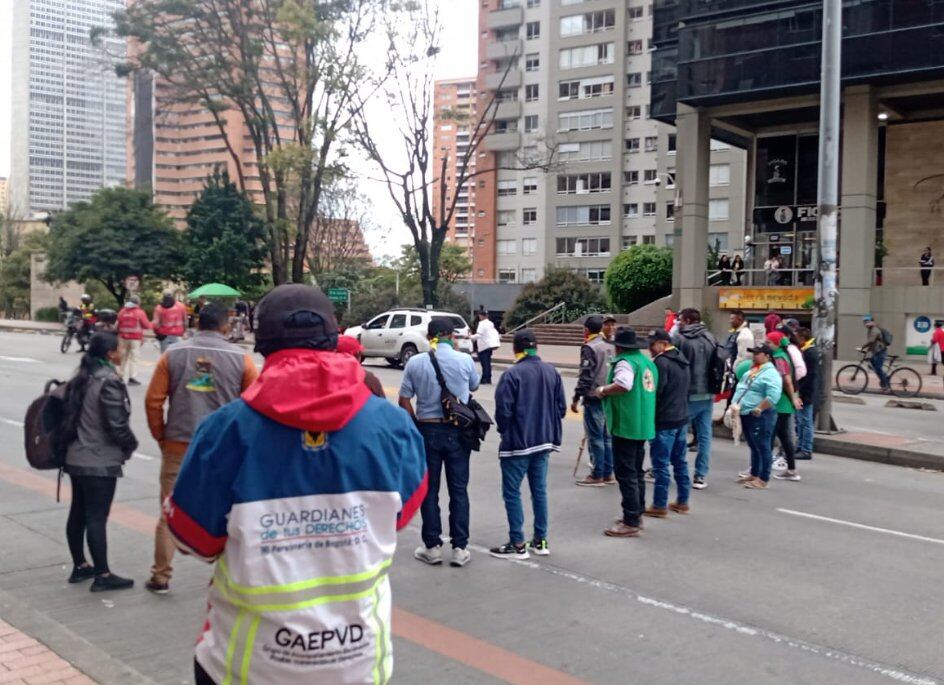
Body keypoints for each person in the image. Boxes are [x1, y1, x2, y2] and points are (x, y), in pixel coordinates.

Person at [166, 284, 427, 685]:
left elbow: (191, 538)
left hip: (245, 666)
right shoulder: (393, 427)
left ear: (261, 342)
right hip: (358, 666)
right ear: (332, 337)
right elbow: (399, 517)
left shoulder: (225, 430)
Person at [143, 303, 258, 595]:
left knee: (169, 511)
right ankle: (227, 579)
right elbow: (255, 407)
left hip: (179, 444)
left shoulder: (173, 355)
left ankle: (161, 575)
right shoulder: (242, 360)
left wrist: (162, 436)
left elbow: (153, 401)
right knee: (232, 514)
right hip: (224, 450)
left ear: (196, 322)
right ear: (225, 325)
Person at [60, 332, 138, 592]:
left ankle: (80, 565)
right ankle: (102, 574)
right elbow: (116, 425)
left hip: (75, 457)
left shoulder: (80, 378)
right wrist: (130, 445)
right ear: (109, 354)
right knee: (96, 517)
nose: (122, 352)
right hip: (99, 460)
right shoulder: (109, 382)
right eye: (119, 349)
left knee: (78, 512)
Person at [400, 318, 480, 568]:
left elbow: (404, 400)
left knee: (429, 491)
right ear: (449, 336)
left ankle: (432, 547)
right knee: (459, 490)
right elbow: (474, 386)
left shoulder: (415, 362)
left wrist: (416, 426)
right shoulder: (465, 360)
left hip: (427, 429)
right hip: (459, 432)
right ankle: (459, 548)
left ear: (430, 335)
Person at [490, 330, 566, 559]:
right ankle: (540, 541)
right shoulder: (552, 371)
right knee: (539, 491)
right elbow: (560, 408)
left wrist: (505, 431)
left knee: (512, 492)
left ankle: (517, 543)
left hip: (518, 444)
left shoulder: (512, 374)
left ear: (515, 349)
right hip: (544, 441)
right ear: (537, 347)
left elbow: (503, 412)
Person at [597, 327, 657, 538]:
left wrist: (603, 390)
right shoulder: (647, 362)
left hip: (626, 423)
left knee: (626, 473)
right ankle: (637, 512)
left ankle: (630, 519)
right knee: (637, 471)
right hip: (642, 423)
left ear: (619, 346)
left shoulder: (625, 363)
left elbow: (624, 384)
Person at [645, 329, 691, 518]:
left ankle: (659, 504)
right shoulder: (683, 360)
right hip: (681, 417)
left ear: (663, 344)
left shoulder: (662, 363)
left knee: (661, 465)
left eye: (652, 345)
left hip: (664, 420)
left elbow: (656, 393)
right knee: (680, 461)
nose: (649, 349)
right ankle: (682, 501)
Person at [672, 308, 717, 490]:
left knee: (678, 434)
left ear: (688, 320)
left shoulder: (680, 338)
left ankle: (678, 470)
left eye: (680, 319)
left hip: (687, 393)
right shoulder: (711, 338)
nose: (678, 323)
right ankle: (700, 475)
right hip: (708, 392)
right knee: (705, 435)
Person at [731, 344, 782, 489]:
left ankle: (763, 478)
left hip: (760, 414)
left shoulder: (770, 373)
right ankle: (754, 473)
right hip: (746, 412)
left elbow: (773, 396)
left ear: (767, 356)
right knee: (754, 445)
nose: (754, 356)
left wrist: (759, 408)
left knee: (763, 445)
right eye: (753, 353)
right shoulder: (755, 369)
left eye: (757, 353)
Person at [573, 315, 615, 487]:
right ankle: (608, 472)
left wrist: (576, 397)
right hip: (608, 394)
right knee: (607, 437)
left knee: (596, 437)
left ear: (587, 330)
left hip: (594, 396)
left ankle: (597, 474)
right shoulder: (610, 346)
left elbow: (586, 375)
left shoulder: (590, 347)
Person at [766, 331, 803, 481]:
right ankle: (791, 470)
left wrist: (793, 397)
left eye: (769, 343)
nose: (766, 345)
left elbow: (787, 380)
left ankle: (761, 469)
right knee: (784, 437)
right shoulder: (783, 354)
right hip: (785, 402)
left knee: (770, 436)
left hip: (781, 402)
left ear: (776, 344)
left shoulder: (779, 357)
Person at [795, 327, 820, 460]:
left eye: (797, 336)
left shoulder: (810, 352)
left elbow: (810, 376)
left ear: (802, 338)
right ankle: (800, 446)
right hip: (804, 391)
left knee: (805, 421)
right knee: (801, 421)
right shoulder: (807, 350)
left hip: (807, 393)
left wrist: (803, 395)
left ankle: (806, 449)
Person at [116, 296, 152, 386]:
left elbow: (117, 324)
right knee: (134, 358)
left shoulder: (122, 312)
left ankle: (119, 376)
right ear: (138, 303)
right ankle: (132, 377)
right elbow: (146, 325)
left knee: (122, 357)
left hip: (123, 337)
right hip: (135, 339)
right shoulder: (139, 312)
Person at [471, 309, 500, 385]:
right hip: (489, 345)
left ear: (481, 316)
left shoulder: (482, 324)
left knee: (484, 363)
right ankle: (488, 378)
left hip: (483, 346)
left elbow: (479, 334)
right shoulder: (490, 323)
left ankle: (484, 378)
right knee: (488, 362)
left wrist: (470, 337)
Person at [862, 316, 891, 390]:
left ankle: (885, 384)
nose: (866, 324)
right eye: (865, 322)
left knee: (878, 368)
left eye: (867, 322)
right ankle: (885, 378)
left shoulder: (875, 330)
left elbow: (871, 341)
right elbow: (873, 344)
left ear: (872, 322)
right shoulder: (871, 329)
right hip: (877, 352)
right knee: (873, 364)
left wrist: (863, 347)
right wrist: (867, 350)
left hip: (881, 352)